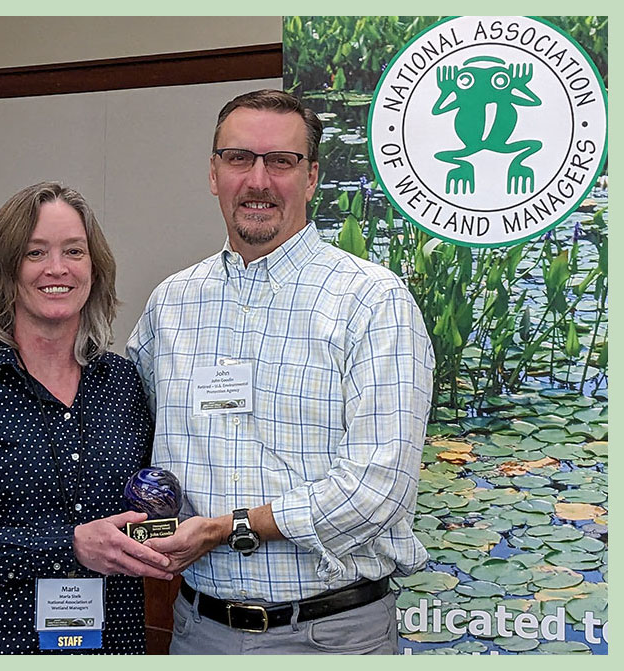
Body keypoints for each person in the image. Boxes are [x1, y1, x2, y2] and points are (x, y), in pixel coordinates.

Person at [126, 89, 435, 654]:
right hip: (200, 634)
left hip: (330, 637)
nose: (259, 181)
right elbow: (116, 413)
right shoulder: (171, 304)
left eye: (282, 162)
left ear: (312, 177)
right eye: (240, 158)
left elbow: (375, 491)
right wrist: (9, 358)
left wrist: (228, 527)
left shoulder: (371, 302)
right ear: (214, 173)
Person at [0, 182, 173, 655]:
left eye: (74, 250)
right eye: (35, 252)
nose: (57, 268)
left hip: (109, 647)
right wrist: (67, 546)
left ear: (95, 268)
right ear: (7, 269)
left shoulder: (124, 385)